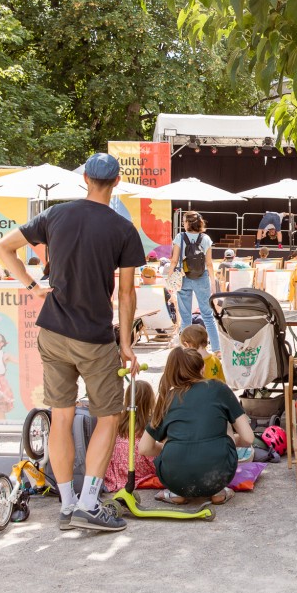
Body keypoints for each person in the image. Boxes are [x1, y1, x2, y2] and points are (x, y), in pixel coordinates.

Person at [0, 152, 145, 533]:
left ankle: (67, 505)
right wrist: (125, 343)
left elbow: (3, 248)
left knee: (60, 417)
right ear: (117, 182)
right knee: (108, 417)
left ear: (84, 180)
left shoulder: (56, 215)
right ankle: (90, 505)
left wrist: (32, 287)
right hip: (94, 338)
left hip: (53, 332)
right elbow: (126, 294)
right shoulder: (123, 229)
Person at [140, 346, 254, 505]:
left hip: (174, 478)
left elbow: (144, 448)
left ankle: (176, 493)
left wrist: (168, 447)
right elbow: (248, 438)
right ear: (203, 368)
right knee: (224, 424)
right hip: (217, 475)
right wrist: (230, 441)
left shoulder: (167, 396)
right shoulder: (218, 388)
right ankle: (218, 491)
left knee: (176, 436)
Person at [169, 212, 219, 350]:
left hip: (183, 277)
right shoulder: (205, 238)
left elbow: (174, 260)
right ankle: (216, 349)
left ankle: (186, 349)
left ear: (187, 223)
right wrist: (213, 283)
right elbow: (209, 263)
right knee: (208, 316)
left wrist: (170, 278)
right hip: (201, 277)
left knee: (185, 318)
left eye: (184, 221)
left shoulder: (180, 237)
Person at [104, 380, 158, 493]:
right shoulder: (150, 425)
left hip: (119, 471)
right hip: (139, 469)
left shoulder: (120, 422)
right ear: (150, 401)